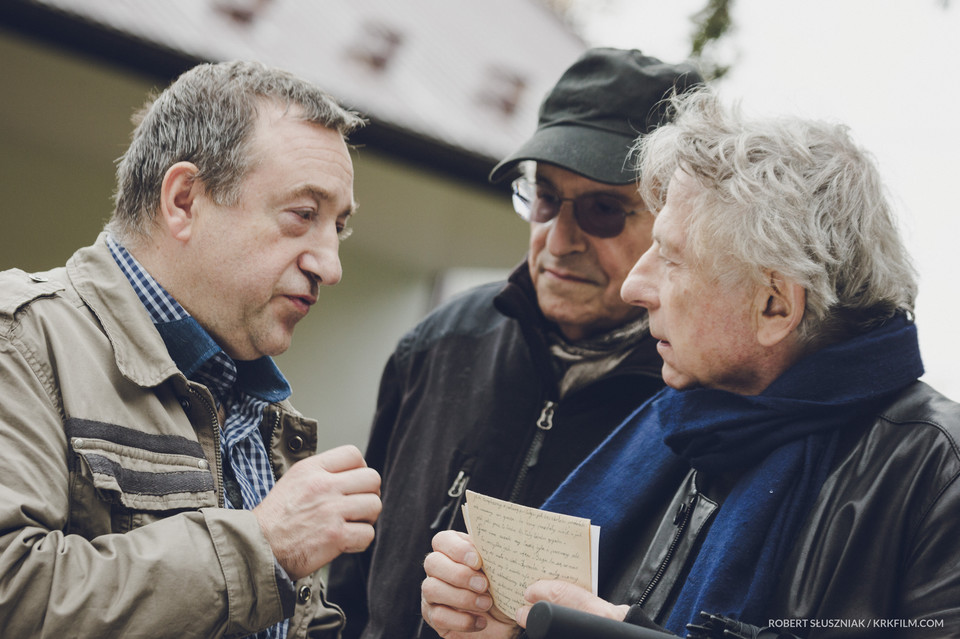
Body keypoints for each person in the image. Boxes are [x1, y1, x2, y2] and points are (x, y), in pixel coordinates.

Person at [420, 88, 960, 639]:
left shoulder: (940, 474)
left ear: (774, 305)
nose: (636, 286)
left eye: (673, 259)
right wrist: (508, 628)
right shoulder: (681, 419)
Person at [326, 48, 703, 639]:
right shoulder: (438, 345)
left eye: (603, 209)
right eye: (546, 197)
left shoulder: (704, 403)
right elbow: (351, 586)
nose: (559, 238)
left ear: (674, 222)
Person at [0, 60, 383, 639]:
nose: (330, 265)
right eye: (303, 215)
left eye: (338, 227)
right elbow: (11, 593)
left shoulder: (260, 406)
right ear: (183, 200)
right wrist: (262, 544)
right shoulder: (21, 341)